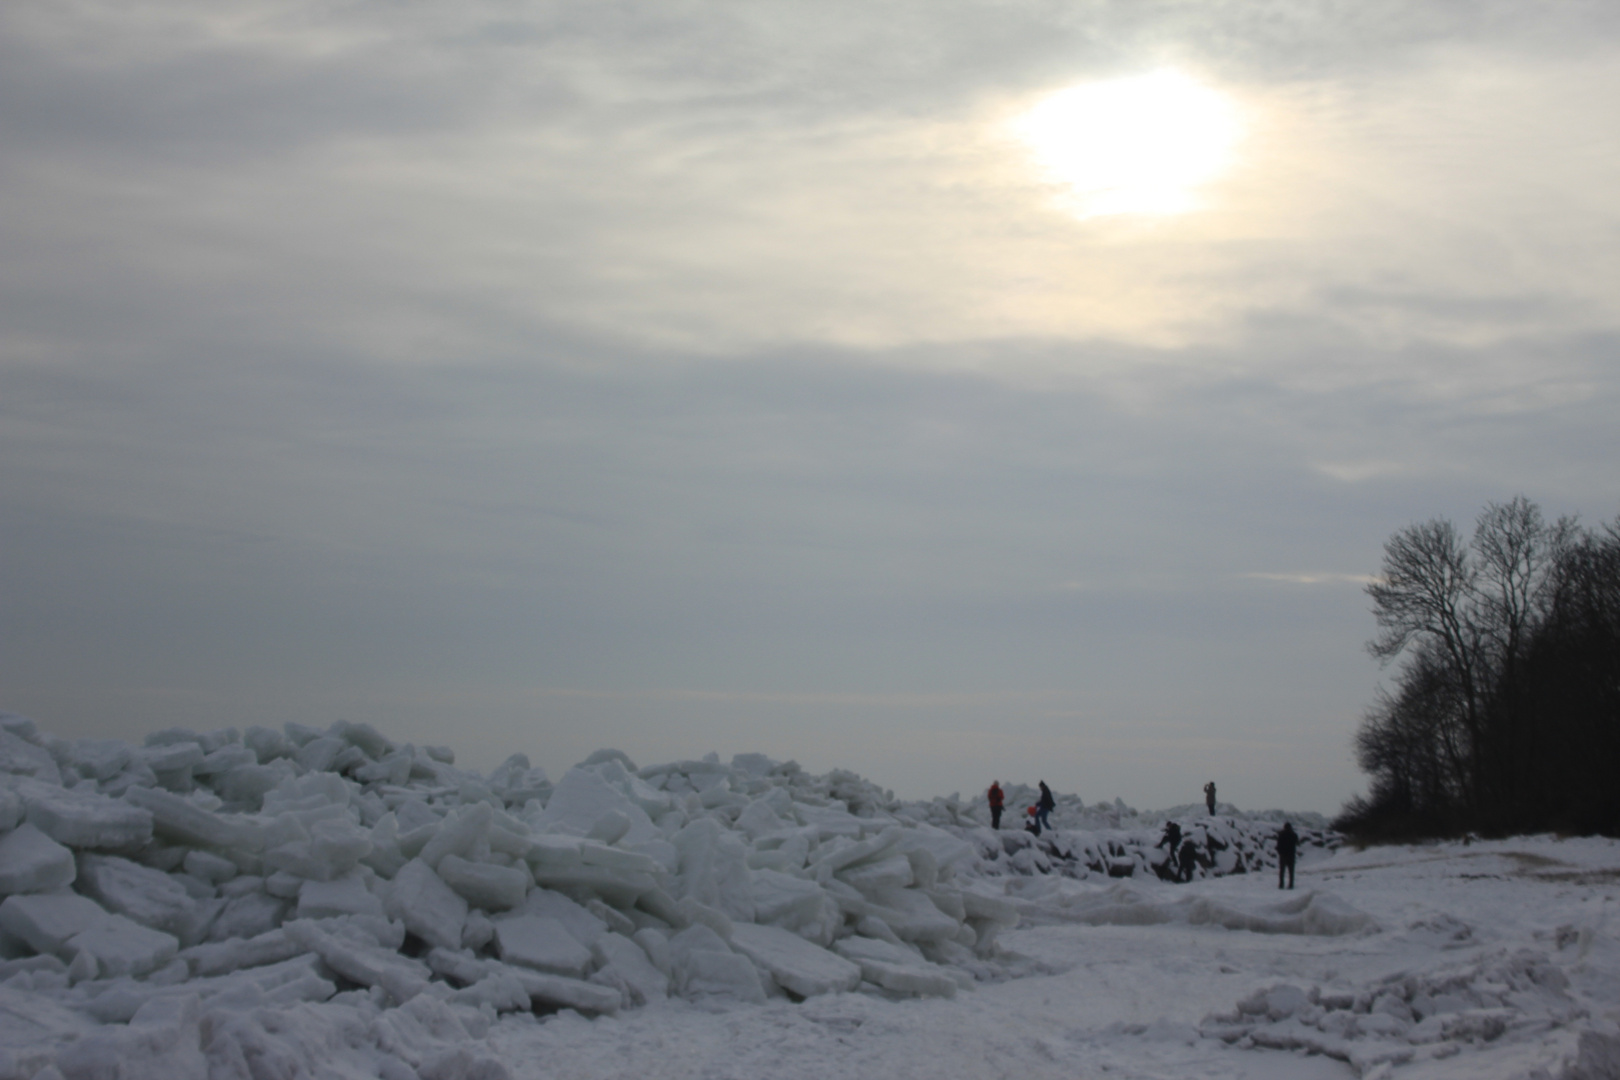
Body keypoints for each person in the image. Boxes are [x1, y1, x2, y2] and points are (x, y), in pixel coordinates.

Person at [1276, 821, 1298, 890]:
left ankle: (1281, 884)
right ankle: (1291, 884)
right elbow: (1297, 842)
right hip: (1291, 855)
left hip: (1283, 855)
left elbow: (1278, 845)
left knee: (1282, 871)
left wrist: (1279, 852)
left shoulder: (1281, 834)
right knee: (1291, 871)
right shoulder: (1294, 834)